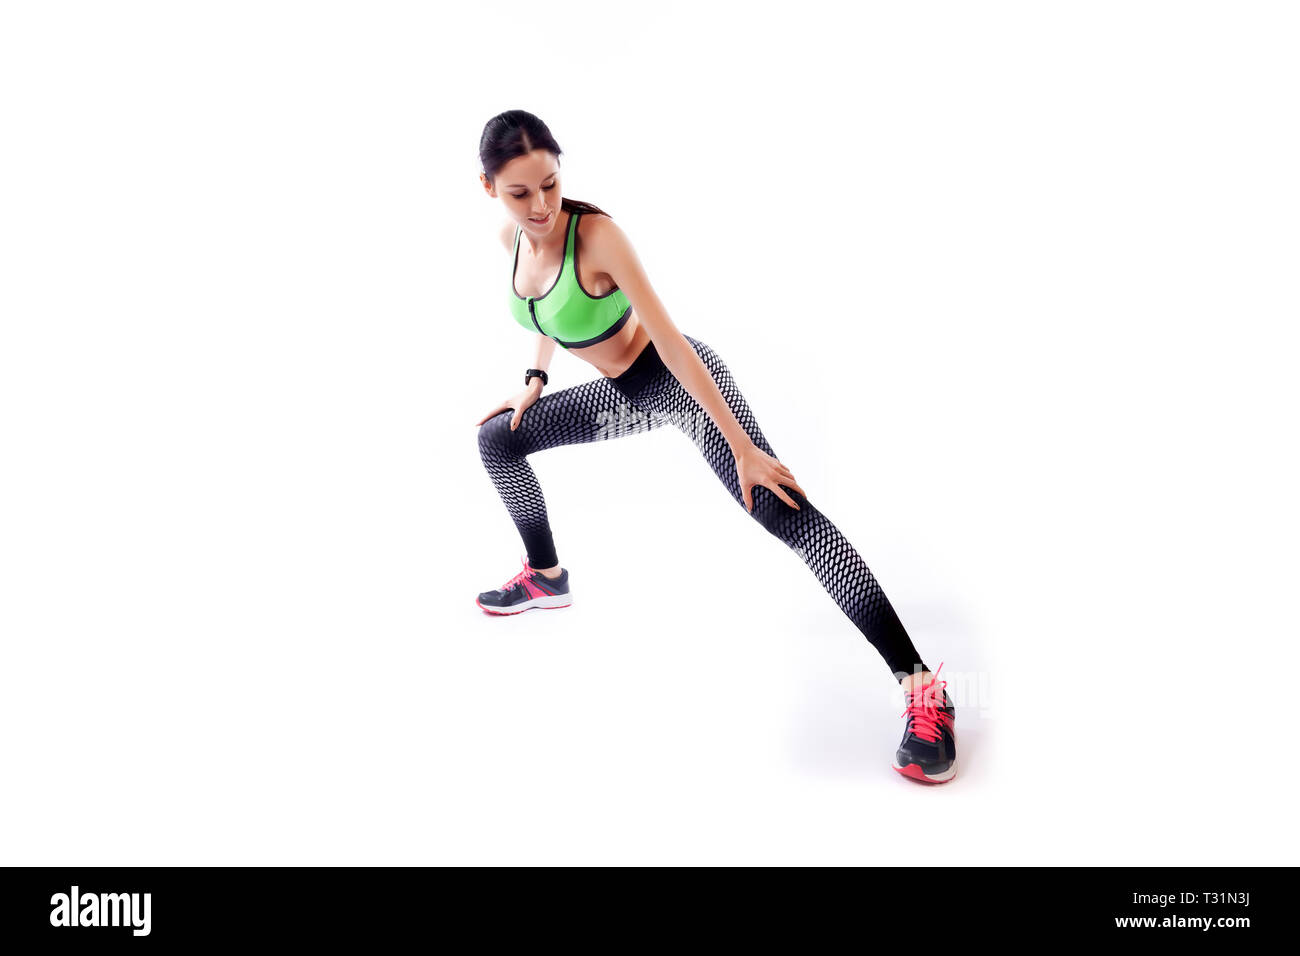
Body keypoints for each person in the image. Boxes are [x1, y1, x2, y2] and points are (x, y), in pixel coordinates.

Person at [473, 110, 956, 783]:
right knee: (497, 440)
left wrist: (741, 448)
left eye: (550, 185)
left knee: (783, 511)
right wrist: (534, 377)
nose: (541, 205)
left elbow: (668, 339)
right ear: (489, 186)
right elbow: (542, 310)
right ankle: (547, 577)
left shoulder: (599, 238)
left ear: (561, 171)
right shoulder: (514, 239)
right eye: (521, 193)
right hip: (625, 397)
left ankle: (924, 692)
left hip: (681, 383)